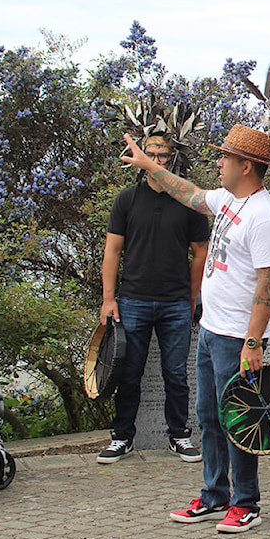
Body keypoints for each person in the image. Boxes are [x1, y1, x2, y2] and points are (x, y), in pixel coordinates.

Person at [120, 124, 270, 534]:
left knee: (237, 420)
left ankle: (246, 502)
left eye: (225, 157)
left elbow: (268, 285)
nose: (219, 162)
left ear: (246, 165)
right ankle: (215, 494)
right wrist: (147, 165)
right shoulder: (230, 199)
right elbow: (189, 193)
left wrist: (252, 342)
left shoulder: (265, 217)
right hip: (211, 330)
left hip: (236, 338)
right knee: (208, 416)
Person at [97, 133, 209, 464]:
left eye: (163, 155)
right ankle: (121, 437)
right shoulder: (127, 200)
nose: (157, 160)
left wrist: (192, 297)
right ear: (141, 156)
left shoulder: (188, 201)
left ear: (173, 158)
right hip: (133, 299)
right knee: (128, 371)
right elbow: (112, 250)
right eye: (151, 154)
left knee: (176, 372)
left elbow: (201, 253)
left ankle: (179, 436)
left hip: (175, 302)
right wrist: (108, 299)